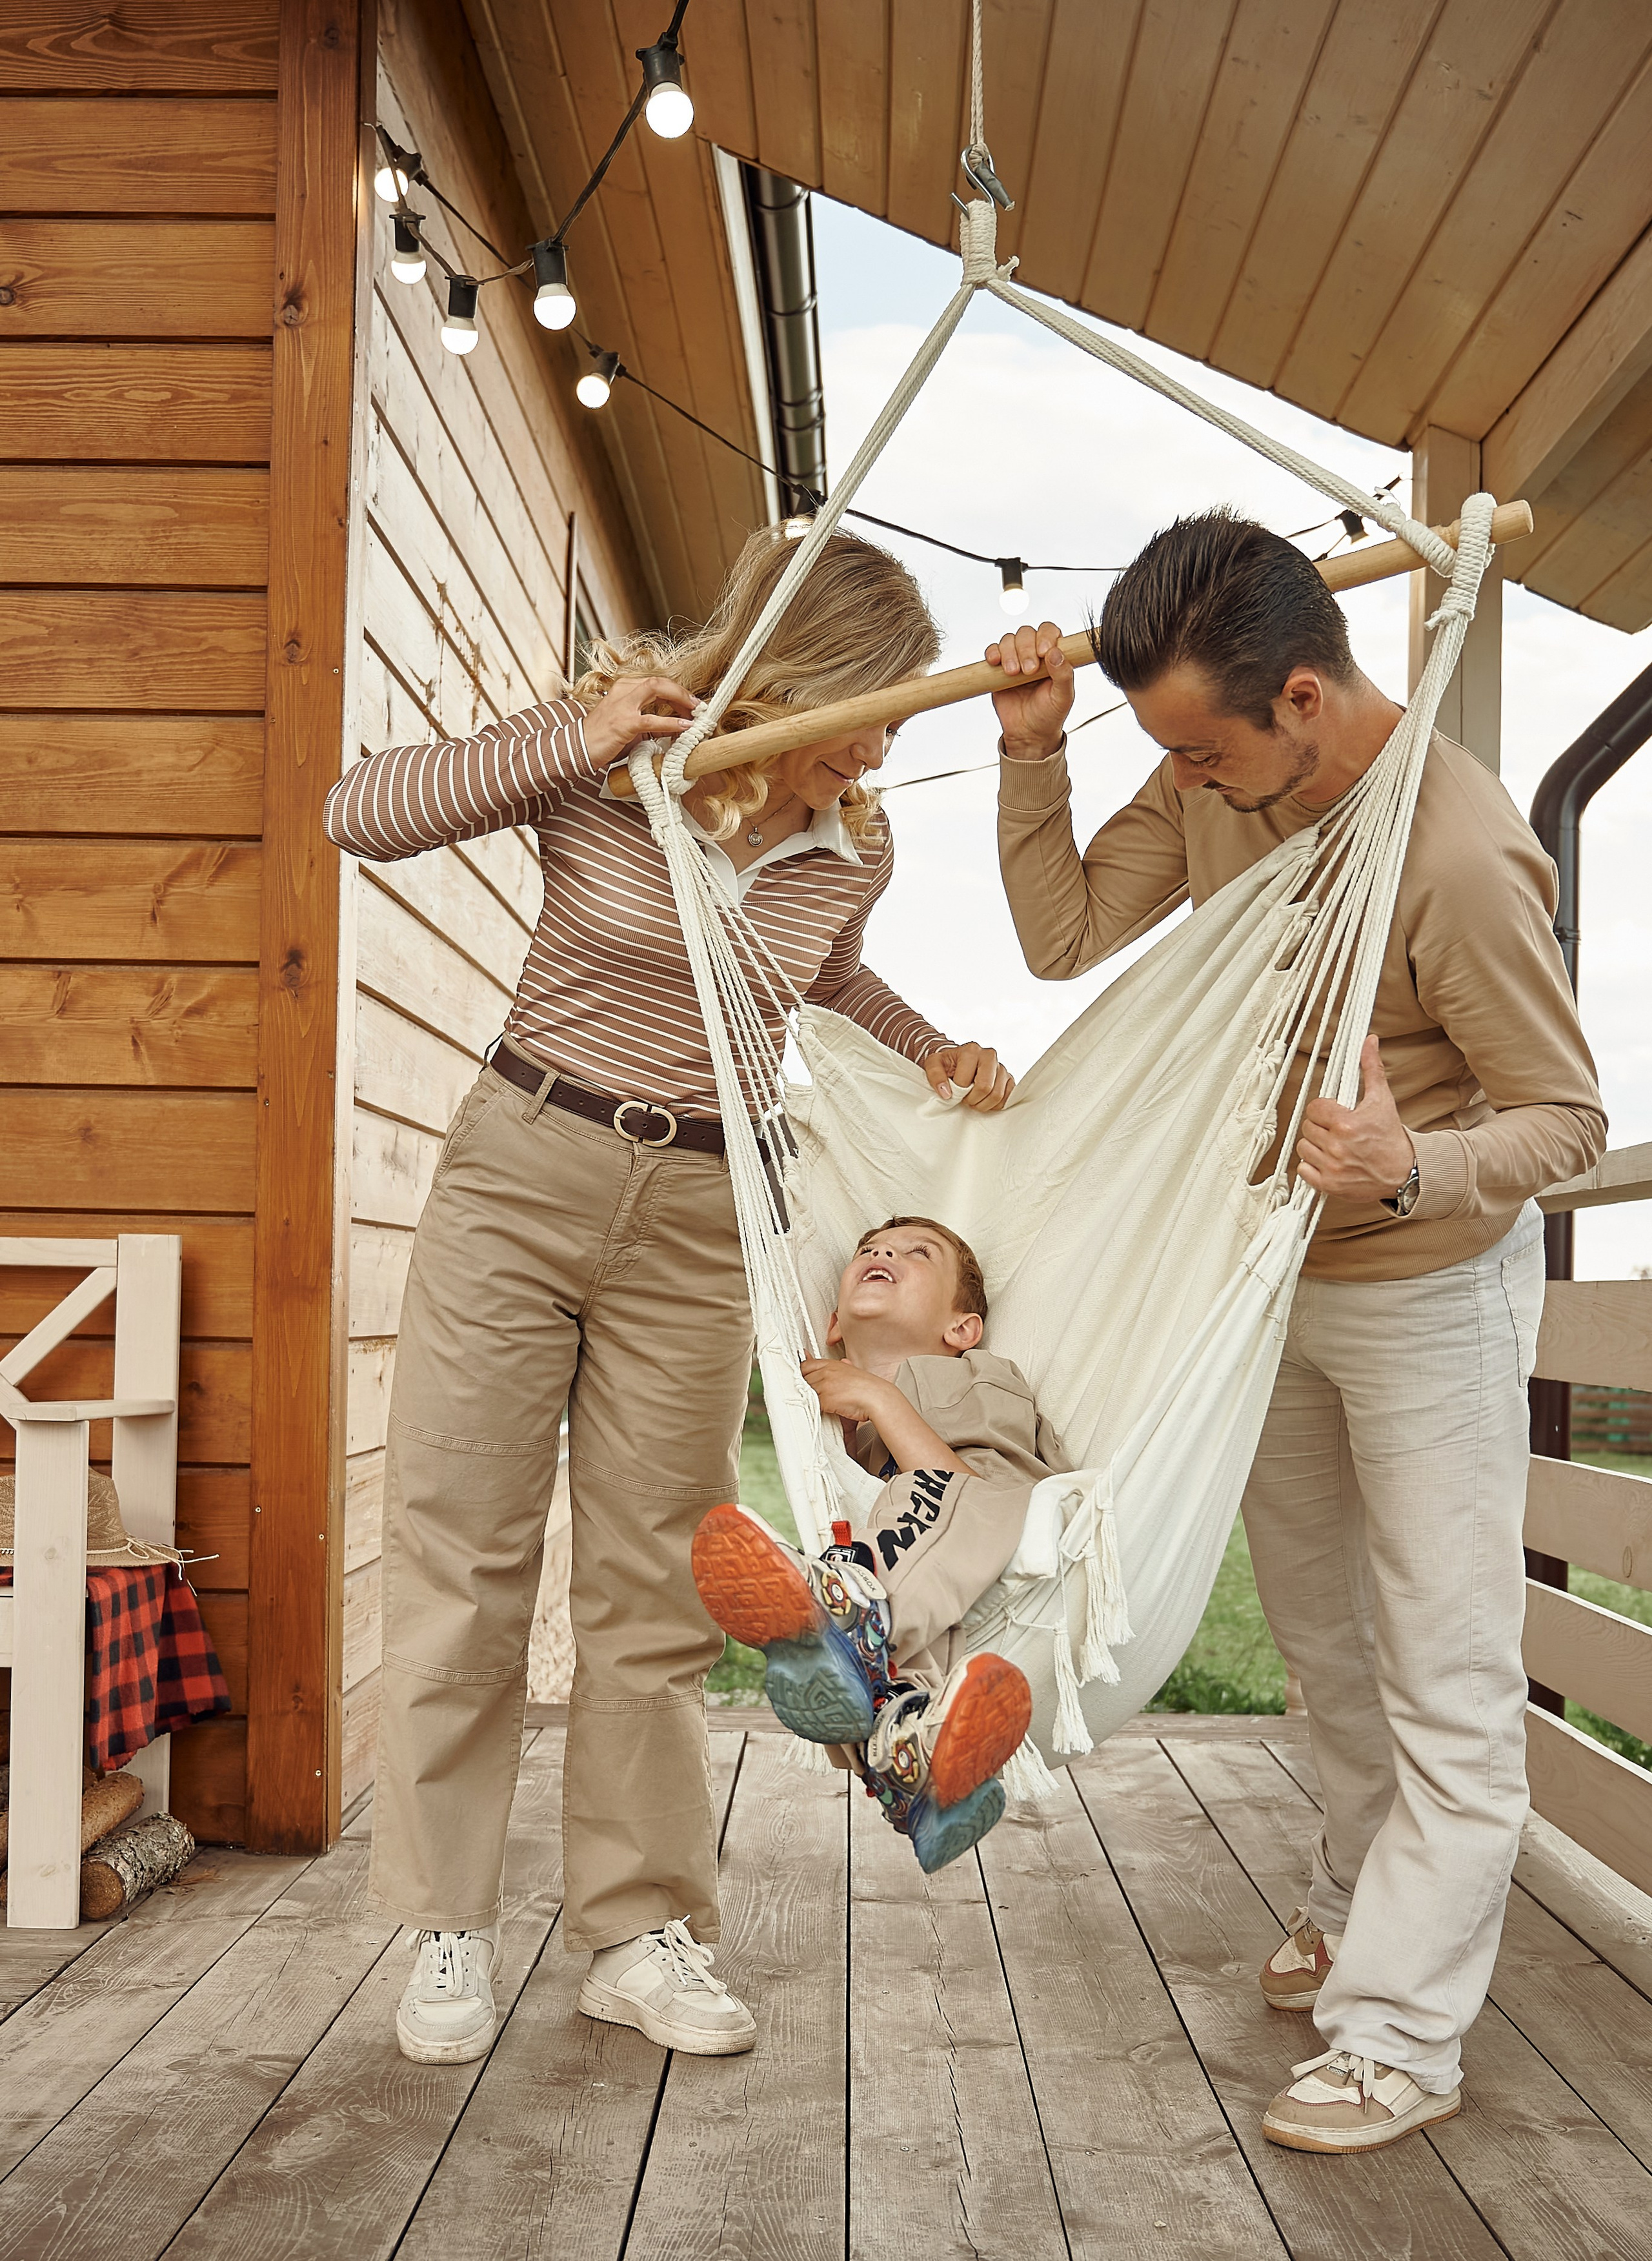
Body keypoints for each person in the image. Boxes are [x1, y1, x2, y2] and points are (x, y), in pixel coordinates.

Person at [324, 529, 1016, 2067]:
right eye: (876, 702)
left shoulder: (855, 838)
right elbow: (357, 814)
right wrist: (561, 739)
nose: (888, 740)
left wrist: (931, 1048)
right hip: (525, 1165)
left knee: (652, 1584)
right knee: (467, 1553)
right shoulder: (613, 759)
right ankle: (449, 1916)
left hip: (706, 1210)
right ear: (796, 671)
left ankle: (637, 1929)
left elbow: (821, 977)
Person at [988, 509, 1604, 2154]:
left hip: (1427, 1294)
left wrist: (1416, 1163)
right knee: (1327, 1645)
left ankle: (1403, 2033)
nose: (1178, 780)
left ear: (1306, 703)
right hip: (1265, 1284)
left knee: (1444, 1670)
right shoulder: (1210, 767)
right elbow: (1059, 936)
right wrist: (1035, 760)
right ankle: (1350, 1896)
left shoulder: (1454, 857)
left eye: (1198, 751)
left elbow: (1563, 1118)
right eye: (1160, 752)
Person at [691, 1215, 1055, 1871]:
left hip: (1001, 1502)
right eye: (869, 1249)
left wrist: (882, 1400)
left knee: (916, 1515)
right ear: (833, 1323)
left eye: (917, 1253)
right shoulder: (856, 1422)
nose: (884, 1251)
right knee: (897, 1675)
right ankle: (918, 1772)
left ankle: (852, 1616)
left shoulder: (970, 1374)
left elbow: (969, 1488)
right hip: (940, 1568)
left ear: (961, 1328)